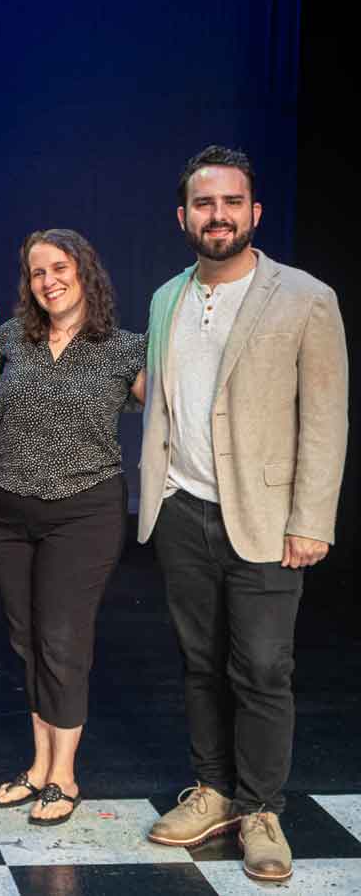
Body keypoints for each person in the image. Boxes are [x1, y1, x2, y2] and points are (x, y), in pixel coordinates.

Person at [140, 146, 348, 883]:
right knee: (200, 661)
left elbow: (325, 416)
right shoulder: (167, 297)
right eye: (204, 203)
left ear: (254, 213)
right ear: (183, 216)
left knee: (261, 666)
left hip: (264, 516)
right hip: (182, 510)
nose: (218, 215)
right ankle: (215, 789)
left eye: (232, 202)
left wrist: (311, 517)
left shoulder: (304, 296)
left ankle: (261, 808)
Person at [0, 229, 145, 826]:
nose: (47, 281)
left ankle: (65, 774)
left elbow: (181, 409)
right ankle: (38, 764)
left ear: (85, 272)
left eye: (58, 268)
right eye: (36, 273)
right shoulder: (8, 342)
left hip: (84, 509)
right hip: (8, 511)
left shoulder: (127, 349)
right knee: (26, 639)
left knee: (62, 638)